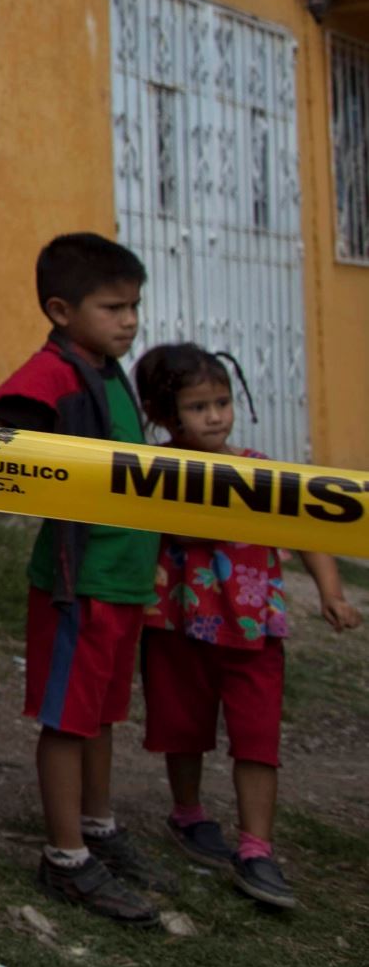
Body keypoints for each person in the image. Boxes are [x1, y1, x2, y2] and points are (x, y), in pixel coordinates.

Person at [0, 233, 174, 925]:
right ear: (60, 309)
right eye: (113, 307)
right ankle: (64, 856)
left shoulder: (111, 370)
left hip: (124, 581)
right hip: (76, 585)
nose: (129, 320)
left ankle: (98, 824)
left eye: (134, 305)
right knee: (67, 719)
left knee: (102, 715)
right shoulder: (53, 371)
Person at [132, 343, 360, 910]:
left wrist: (331, 592)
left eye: (222, 402)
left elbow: (310, 527)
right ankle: (188, 816)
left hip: (255, 630)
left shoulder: (262, 469)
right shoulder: (153, 472)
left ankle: (258, 848)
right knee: (182, 725)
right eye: (198, 406)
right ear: (165, 415)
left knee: (258, 737)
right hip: (178, 626)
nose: (215, 416)